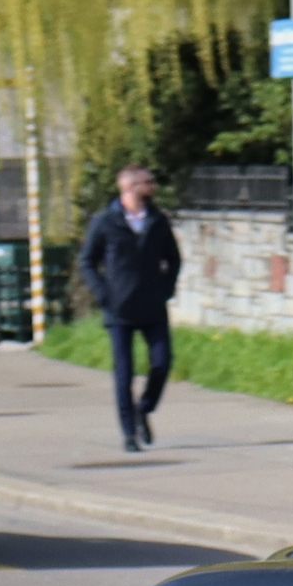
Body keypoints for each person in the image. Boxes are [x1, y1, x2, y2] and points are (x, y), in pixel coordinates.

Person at [78, 166, 182, 452]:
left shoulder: (157, 220)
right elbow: (87, 260)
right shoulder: (105, 221)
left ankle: (144, 408)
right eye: (148, 182)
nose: (153, 186)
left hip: (152, 306)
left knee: (162, 362)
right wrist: (103, 293)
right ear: (130, 186)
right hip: (119, 310)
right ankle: (128, 434)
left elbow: (173, 259)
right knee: (124, 374)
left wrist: (165, 289)